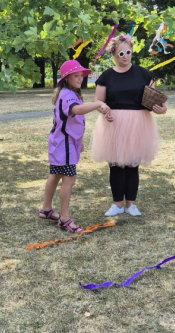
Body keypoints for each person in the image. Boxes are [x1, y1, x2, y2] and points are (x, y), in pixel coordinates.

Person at [91, 34, 167, 217]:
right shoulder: (106, 76)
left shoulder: (144, 74)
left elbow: (155, 99)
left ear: (132, 51)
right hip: (114, 123)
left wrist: (161, 109)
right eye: (121, 54)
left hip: (138, 124)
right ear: (114, 55)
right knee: (115, 165)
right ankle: (117, 204)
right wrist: (104, 110)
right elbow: (98, 101)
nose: (125, 57)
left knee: (133, 164)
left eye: (128, 52)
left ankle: (131, 204)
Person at [38, 61, 111, 233]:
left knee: (55, 174)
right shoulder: (69, 95)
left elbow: (70, 121)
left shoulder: (66, 93)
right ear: (66, 78)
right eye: (76, 76)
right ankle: (64, 219)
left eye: (81, 76)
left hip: (60, 142)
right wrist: (98, 104)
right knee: (68, 180)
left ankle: (46, 209)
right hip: (64, 145)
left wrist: (78, 140)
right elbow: (76, 110)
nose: (80, 79)